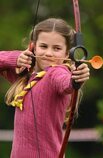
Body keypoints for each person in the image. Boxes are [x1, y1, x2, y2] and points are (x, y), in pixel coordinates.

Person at [0, 18, 90, 158]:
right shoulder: (25, 76)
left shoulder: (56, 72)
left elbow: (65, 83)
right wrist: (16, 58)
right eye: (43, 46)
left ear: (67, 54)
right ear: (33, 47)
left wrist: (76, 79)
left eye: (57, 48)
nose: (49, 53)